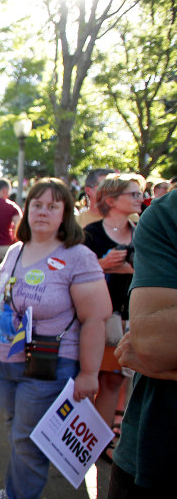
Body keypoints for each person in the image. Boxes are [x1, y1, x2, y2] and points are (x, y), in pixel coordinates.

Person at [0, 178, 110, 499]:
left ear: (65, 214)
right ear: (27, 210)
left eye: (52, 206)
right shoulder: (15, 250)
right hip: (6, 361)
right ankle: (15, 488)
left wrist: (89, 373)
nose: (43, 212)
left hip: (50, 364)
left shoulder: (77, 256)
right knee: (16, 431)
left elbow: (95, 318)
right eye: (37, 204)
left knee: (26, 440)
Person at [105, 189, 177, 499]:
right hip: (155, 460)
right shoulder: (167, 215)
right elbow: (152, 344)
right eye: (129, 193)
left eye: (139, 192)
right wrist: (157, 345)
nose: (137, 197)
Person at [83, 174, 144, 458]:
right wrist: (101, 264)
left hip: (134, 317)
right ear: (111, 200)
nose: (138, 198)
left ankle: (100, 443)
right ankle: (85, 442)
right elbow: (75, 274)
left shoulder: (143, 231)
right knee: (95, 379)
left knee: (116, 381)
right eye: (132, 194)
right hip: (101, 320)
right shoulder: (92, 233)